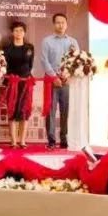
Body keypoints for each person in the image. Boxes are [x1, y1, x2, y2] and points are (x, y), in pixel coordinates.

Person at [39, 13, 78, 149]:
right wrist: (54, 77)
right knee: (50, 110)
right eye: (58, 22)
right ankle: (51, 141)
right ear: (54, 24)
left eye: (63, 22)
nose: (60, 25)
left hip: (67, 81)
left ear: (66, 24)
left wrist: (68, 75)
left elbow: (76, 61)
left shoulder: (73, 42)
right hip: (52, 81)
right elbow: (44, 61)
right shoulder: (47, 41)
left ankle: (64, 139)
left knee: (65, 110)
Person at [3, 21, 35, 149]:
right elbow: (5, 66)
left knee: (24, 111)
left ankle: (22, 141)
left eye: (21, 30)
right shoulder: (7, 48)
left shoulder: (29, 48)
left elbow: (30, 65)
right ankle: (13, 141)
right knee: (12, 110)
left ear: (24, 32)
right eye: (16, 30)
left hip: (26, 82)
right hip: (11, 82)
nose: (18, 33)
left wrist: (25, 76)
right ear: (12, 32)